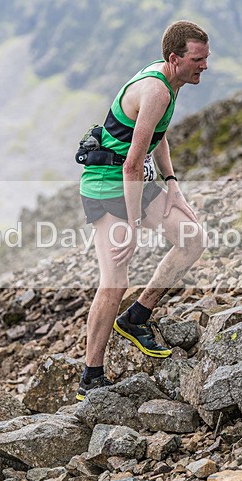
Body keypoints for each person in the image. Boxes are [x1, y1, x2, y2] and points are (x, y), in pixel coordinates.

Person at [76, 21, 210, 401]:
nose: (205, 66)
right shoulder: (156, 90)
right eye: (198, 59)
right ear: (175, 58)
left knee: (192, 238)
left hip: (135, 181)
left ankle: (136, 317)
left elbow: (156, 135)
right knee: (114, 281)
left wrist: (172, 183)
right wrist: (133, 225)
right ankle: (91, 376)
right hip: (107, 185)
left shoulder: (171, 83)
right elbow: (131, 165)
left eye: (206, 58)